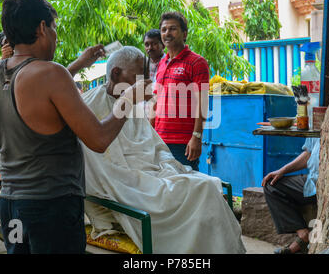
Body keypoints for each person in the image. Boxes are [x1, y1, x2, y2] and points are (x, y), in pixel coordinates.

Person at [0, 0, 151, 254]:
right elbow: (98, 140)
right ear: (41, 27)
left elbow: (36, 93)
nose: (56, 36)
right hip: (51, 210)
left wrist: (79, 64)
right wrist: (129, 97)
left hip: (11, 205)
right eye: (54, 28)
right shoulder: (52, 75)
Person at [82, 46, 246, 254]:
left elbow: (152, 146)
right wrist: (143, 175)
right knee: (202, 189)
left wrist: (165, 167)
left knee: (209, 184)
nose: (144, 85)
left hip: (148, 173)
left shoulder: (130, 104)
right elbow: (100, 167)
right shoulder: (89, 105)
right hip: (123, 184)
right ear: (116, 73)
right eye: (138, 78)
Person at [153, 11, 210, 171]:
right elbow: (157, 101)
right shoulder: (162, 64)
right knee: (164, 187)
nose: (167, 33)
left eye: (173, 29)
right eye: (164, 30)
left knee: (186, 188)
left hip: (183, 143)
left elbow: (202, 102)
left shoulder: (197, 62)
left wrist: (196, 137)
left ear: (184, 34)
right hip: (160, 140)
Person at [262, 137, 320, 254]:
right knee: (271, 185)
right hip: (312, 180)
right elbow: (309, 153)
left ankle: (301, 243)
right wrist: (282, 170)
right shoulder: (315, 122)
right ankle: (303, 234)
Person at [143, 29, 164, 125]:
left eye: (154, 44)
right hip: (142, 117)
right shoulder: (141, 64)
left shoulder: (170, 64)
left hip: (161, 118)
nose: (150, 48)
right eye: (147, 44)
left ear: (163, 45)